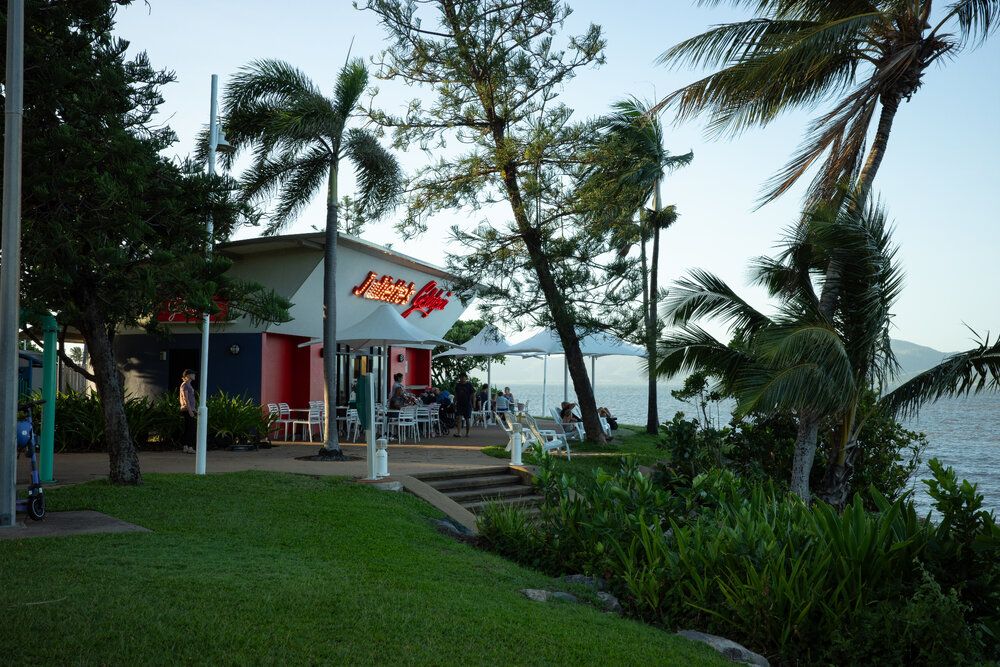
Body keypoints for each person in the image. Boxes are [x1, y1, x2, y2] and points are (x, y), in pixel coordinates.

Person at [179, 369, 197, 454]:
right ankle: (190, 447)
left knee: (188, 428)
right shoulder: (185, 385)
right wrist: (190, 411)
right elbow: (186, 399)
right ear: (188, 376)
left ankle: (185, 446)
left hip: (190, 409)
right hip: (187, 410)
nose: (194, 375)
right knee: (191, 429)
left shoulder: (188, 385)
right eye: (193, 374)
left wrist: (194, 409)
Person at [453, 372, 475, 437]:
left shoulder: (469, 385)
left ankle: (467, 433)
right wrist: (454, 402)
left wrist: (474, 403)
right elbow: (456, 394)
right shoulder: (458, 385)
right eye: (461, 377)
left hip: (467, 404)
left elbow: (473, 395)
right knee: (458, 418)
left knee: (467, 419)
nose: (462, 379)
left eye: (463, 377)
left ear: (466, 378)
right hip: (459, 403)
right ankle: (459, 432)